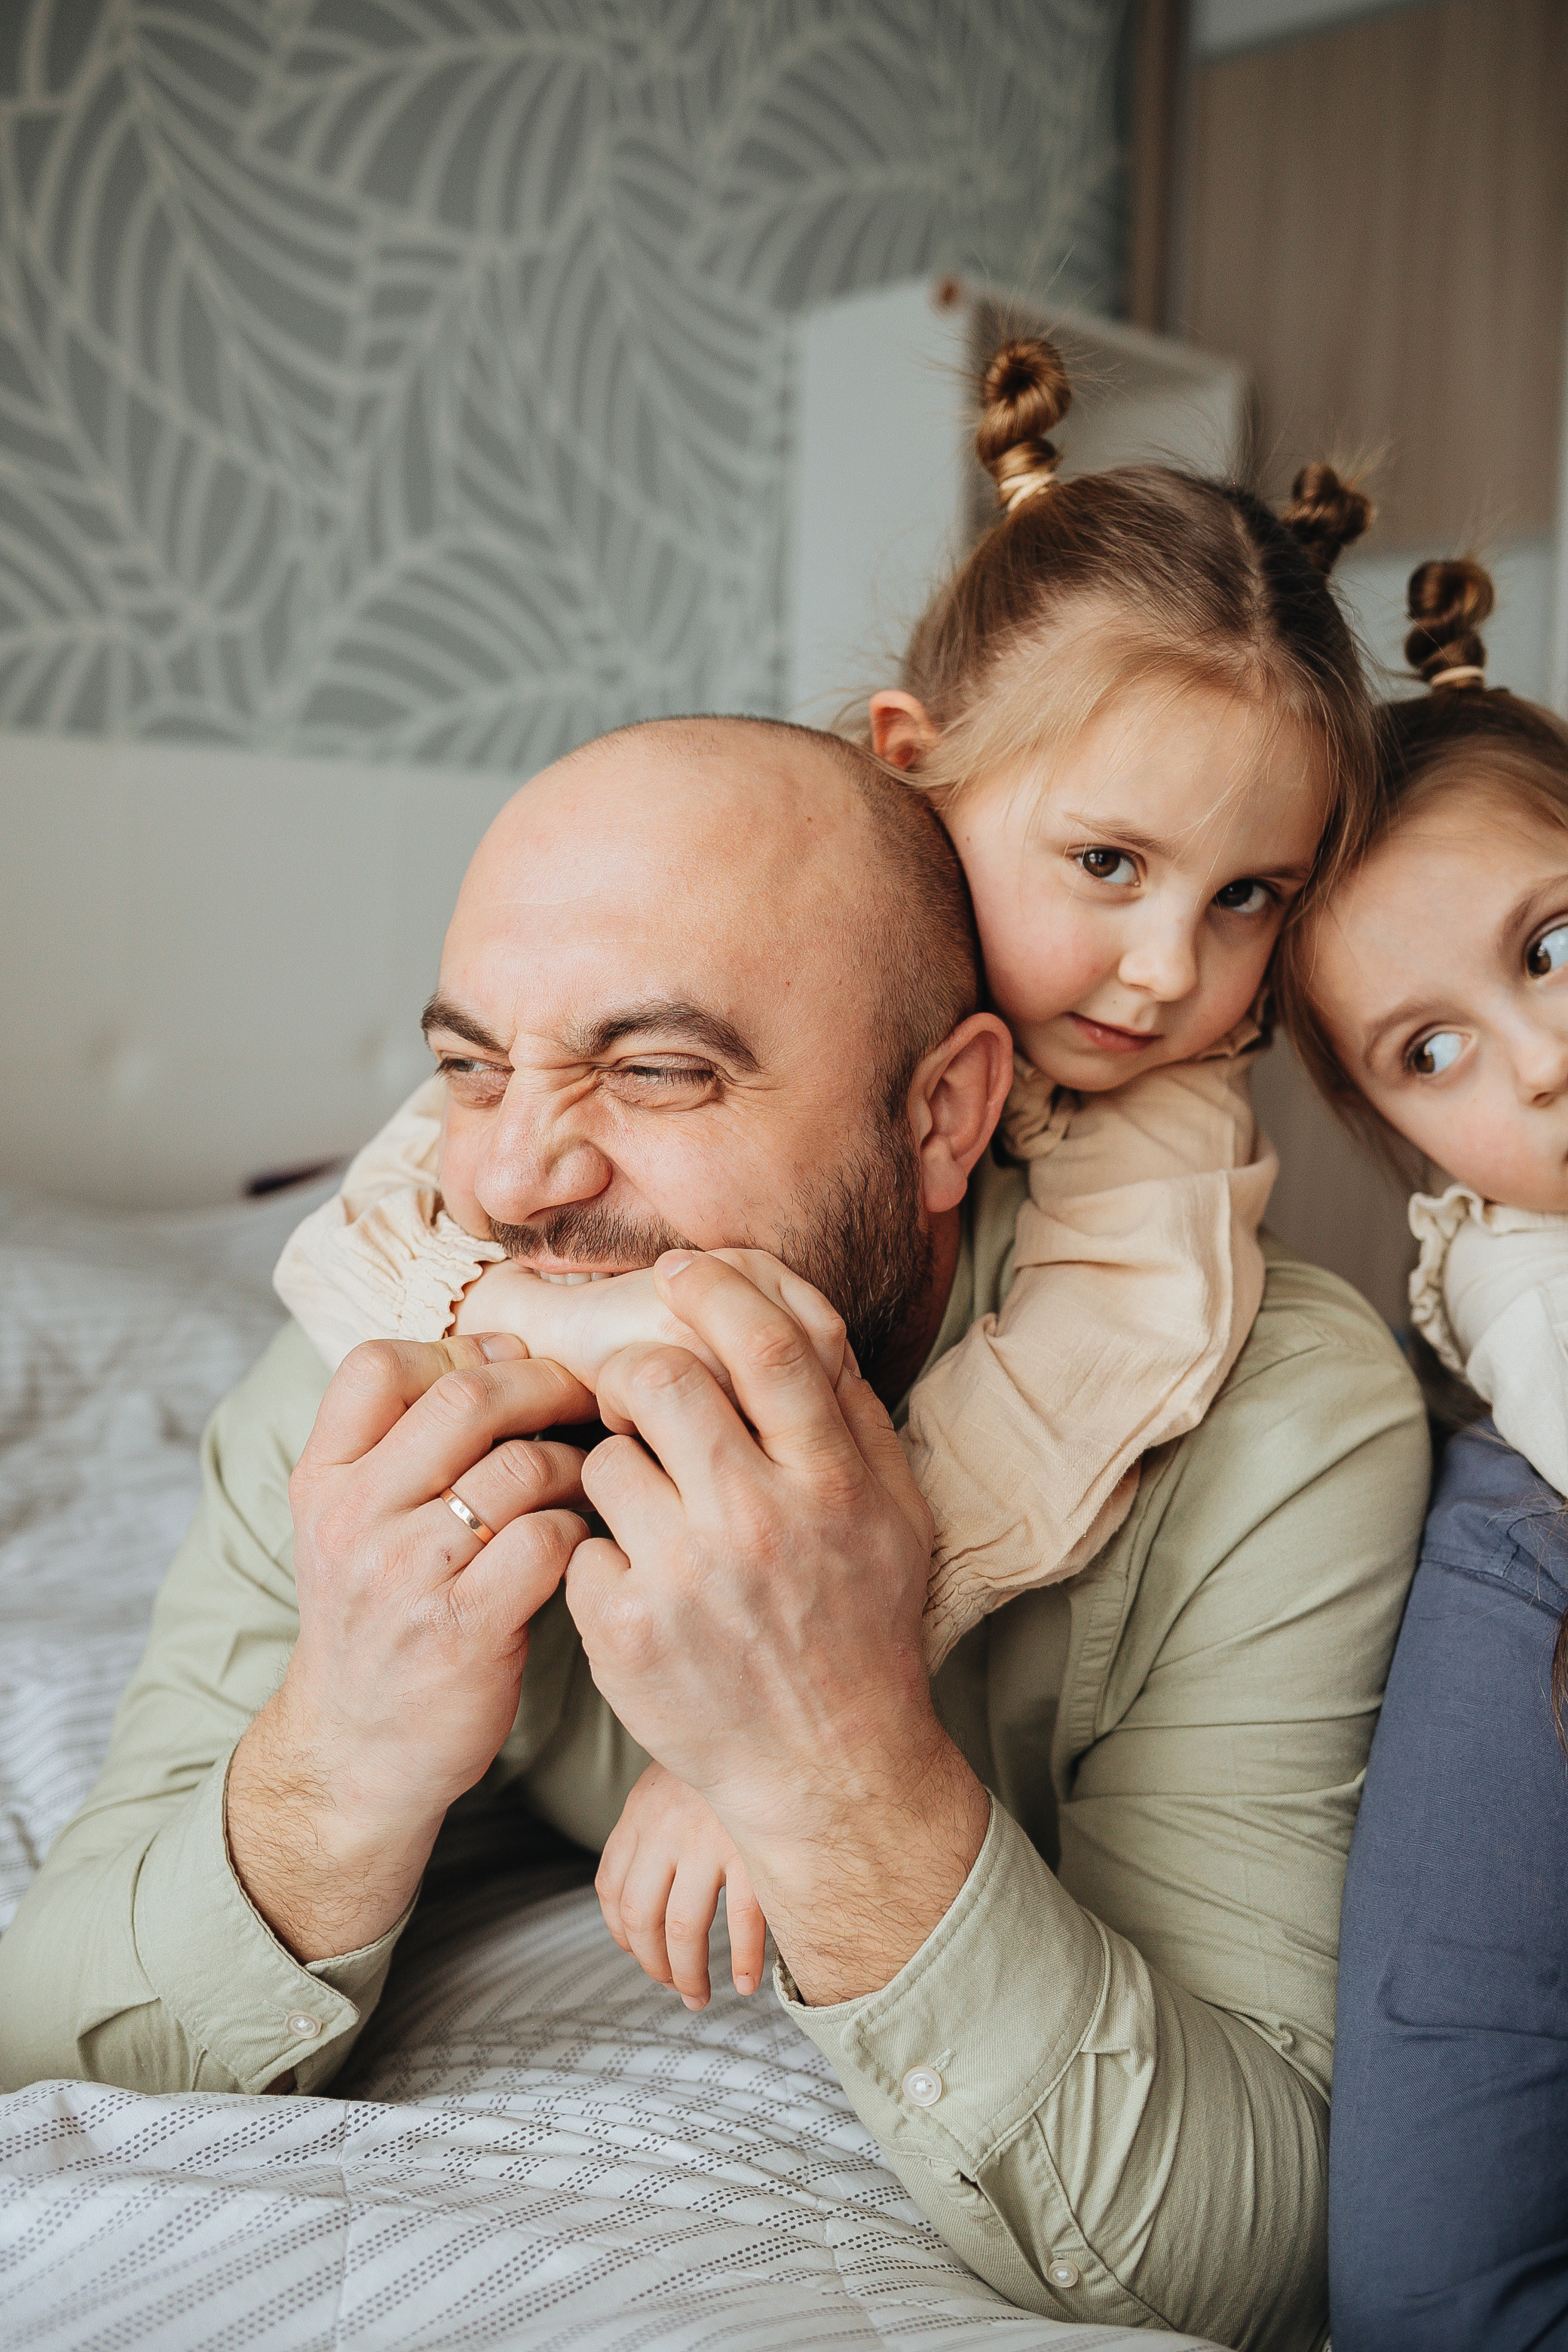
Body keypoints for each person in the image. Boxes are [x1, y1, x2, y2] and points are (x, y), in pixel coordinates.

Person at [0, 715, 1427, 2352]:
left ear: (944, 1115)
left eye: (659, 1069)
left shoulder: (1272, 1430)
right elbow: (46, 2057)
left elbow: (1248, 2258)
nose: (520, 1178)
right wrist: (343, 1746)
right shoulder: (362, 1384)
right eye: (471, 1067)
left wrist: (831, 1767)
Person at [273, 335, 1379, 2008]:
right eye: (1105, 863)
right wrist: (520, 1313)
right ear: (910, 757)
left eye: (1248, 898)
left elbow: (1031, 1441)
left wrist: (758, 1741)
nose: (1166, 972)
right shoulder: (727, 930)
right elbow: (395, 1201)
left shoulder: (1162, 1124)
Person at [1277, 559, 1568, 2349]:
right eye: (1431, 1050)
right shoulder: (1515, 1323)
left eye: (1552, 942)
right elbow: (1433, 2299)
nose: (1538, 1063)